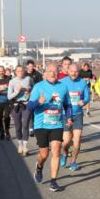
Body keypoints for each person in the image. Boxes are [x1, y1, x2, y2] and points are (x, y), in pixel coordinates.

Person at [28, 63, 71, 192]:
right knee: (44, 154)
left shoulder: (63, 87)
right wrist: (38, 102)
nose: (53, 74)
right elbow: (29, 107)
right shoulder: (38, 87)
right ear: (45, 73)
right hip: (41, 125)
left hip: (57, 124)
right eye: (50, 71)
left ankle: (53, 181)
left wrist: (69, 117)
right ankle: (39, 167)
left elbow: (67, 105)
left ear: (58, 73)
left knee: (56, 150)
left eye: (55, 71)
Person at [60, 63, 91, 171]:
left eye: (76, 71)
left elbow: (88, 96)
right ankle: (64, 153)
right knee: (66, 141)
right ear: (68, 71)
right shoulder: (62, 82)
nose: (74, 73)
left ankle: (73, 162)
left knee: (77, 140)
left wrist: (84, 101)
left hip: (78, 115)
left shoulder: (82, 82)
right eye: (72, 71)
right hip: (65, 115)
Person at [8, 65, 34, 156]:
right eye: (18, 71)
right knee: (18, 126)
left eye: (22, 71)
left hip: (26, 104)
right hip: (16, 105)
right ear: (15, 72)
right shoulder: (12, 81)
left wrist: (29, 92)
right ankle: (20, 144)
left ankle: (25, 146)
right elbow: (9, 96)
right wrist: (17, 92)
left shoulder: (28, 79)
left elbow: (33, 89)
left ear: (24, 71)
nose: (20, 73)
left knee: (25, 124)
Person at [0, 65, 13, 140]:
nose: (1, 72)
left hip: (8, 101)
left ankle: (7, 131)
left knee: (7, 117)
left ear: (4, 71)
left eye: (2, 71)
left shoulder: (9, 79)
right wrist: (0, 90)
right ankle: (1, 132)